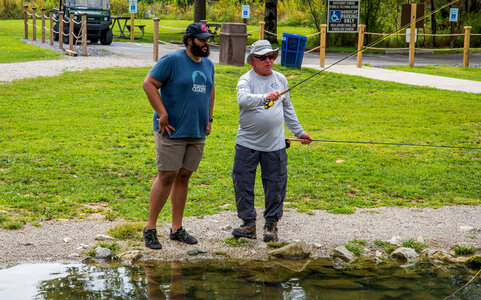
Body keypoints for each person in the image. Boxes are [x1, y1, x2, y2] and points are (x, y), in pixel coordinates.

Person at [142, 23, 215, 249]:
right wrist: (162, 113)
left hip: (196, 129)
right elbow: (149, 84)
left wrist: (209, 119)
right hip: (171, 129)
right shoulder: (172, 60)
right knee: (167, 175)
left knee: (183, 176)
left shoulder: (209, 64)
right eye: (202, 39)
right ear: (189, 40)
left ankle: (176, 229)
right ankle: (150, 229)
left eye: (208, 39)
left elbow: (211, 90)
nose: (206, 43)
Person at [232, 40, 312, 242]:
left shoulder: (281, 79)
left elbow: (288, 109)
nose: (268, 61)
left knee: (276, 185)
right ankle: (248, 225)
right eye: (263, 57)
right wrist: (265, 97)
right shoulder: (246, 80)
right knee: (243, 184)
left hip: (275, 145)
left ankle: (271, 226)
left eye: (271, 57)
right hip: (247, 144)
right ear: (253, 61)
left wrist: (300, 132)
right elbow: (243, 99)